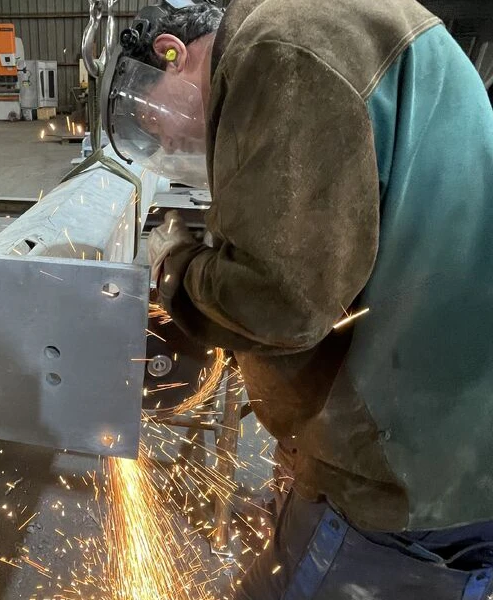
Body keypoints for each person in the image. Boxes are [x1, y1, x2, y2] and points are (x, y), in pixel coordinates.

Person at [100, 0, 493, 598]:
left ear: (173, 56)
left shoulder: (279, 46)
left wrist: (174, 265)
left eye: (157, 120)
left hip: (412, 466)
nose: (171, 137)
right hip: (453, 430)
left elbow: (279, 302)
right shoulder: (327, 25)